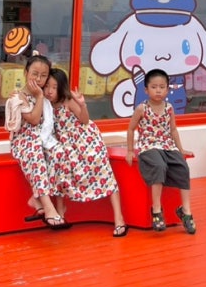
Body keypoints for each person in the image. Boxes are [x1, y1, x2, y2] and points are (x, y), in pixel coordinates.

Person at [46, 68, 128, 238]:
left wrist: (82, 104)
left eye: (54, 87)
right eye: (47, 87)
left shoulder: (68, 101)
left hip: (85, 139)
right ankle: (60, 211)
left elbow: (84, 120)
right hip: (65, 145)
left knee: (103, 170)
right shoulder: (46, 104)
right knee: (58, 165)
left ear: (61, 87)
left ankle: (119, 218)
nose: (50, 91)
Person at [126, 68, 196, 234]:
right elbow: (130, 129)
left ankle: (186, 211)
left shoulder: (169, 108)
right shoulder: (141, 108)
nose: (158, 90)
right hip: (148, 145)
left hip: (167, 145)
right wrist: (130, 150)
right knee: (158, 165)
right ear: (146, 90)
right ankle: (157, 209)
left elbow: (173, 130)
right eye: (154, 87)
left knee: (183, 167)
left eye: (162, 87)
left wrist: (180, 149)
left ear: (167, 89)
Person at [8, 54, 65, 229]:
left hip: (42, 138)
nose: (38, 79)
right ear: (26, 73)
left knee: (59, 153)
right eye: (35, 74)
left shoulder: (46, 95)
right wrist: (39, 97)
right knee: (35, 151)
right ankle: (48, 207)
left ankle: (37, 198)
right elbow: (33, 120)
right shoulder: (19, 97)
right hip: (24, 140)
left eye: (43, 75)